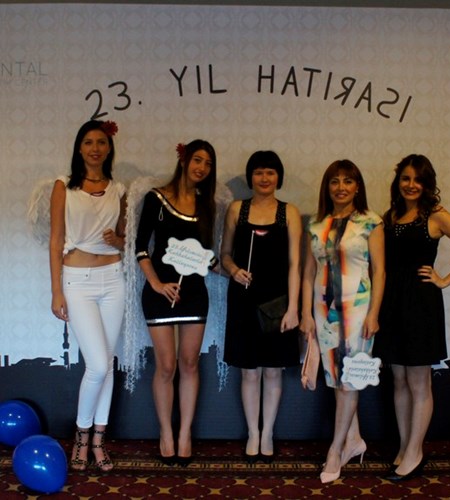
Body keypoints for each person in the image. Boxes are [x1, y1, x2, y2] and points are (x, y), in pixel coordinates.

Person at [373, 154, 450, 481]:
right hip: (391, 301)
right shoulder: (390, 216)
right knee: (399, 378)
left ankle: (415, 452)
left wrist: (444, 280)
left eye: (418, 179)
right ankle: (405, 446)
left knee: (419, 380)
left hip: (421, 304)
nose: (411, 185)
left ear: (427, 184)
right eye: (405, 178)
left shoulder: (436, 216)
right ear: (398, 181)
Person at [300, 159, 385, 484]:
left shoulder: (371, 222)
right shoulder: (315, 224)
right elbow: (308, 272)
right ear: (327, 187)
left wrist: (374, 313)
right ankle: (354, 440)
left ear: (357, 186)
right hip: (324, 311)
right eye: (334, 181)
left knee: (349, 379)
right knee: (336, 378)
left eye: (348, 181)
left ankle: (335, 450)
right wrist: (306, 314)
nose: (341, 187)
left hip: (358, 310)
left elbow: (380, 271)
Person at [49, 119, 126, 472]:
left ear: (109, 149)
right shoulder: (63, 186)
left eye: (101, 142)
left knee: (106, 363)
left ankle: (98, 440)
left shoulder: (119, 189)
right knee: (96, 364)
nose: (95, 148)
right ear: (79, 148)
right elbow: (56, 240)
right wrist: (56, 291)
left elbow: (126, 240)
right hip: (77, 280)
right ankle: (81, 436)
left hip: (113, 279)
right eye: (89, 142)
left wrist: (118, 241)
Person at [134, 140, 217, 466]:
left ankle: (185, 434)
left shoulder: (207, 205)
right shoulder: (155, 198)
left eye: (208, 163)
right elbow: (141, 247)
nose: (202, 168)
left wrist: (230, 269)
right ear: (184, 160)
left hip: (194, 294)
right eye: (197, 160)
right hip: (160, 294)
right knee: (166, 366)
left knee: (190, 364)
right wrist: (156, 284)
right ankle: (166, 433)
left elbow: (205, 255)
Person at [222, 150, 302, 463]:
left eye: (270, 172)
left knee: (273, 372)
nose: (264, 178)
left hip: (278, 302)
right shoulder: (236, 209)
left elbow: (295, 264)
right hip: (243, 297)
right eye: (258, 172)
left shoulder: (289, 212)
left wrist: (293, 308)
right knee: (250, 373)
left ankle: (267, 432)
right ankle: (252, 433)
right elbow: (224, 254)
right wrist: (234, 270)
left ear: (278, 176)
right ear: (250, 176)